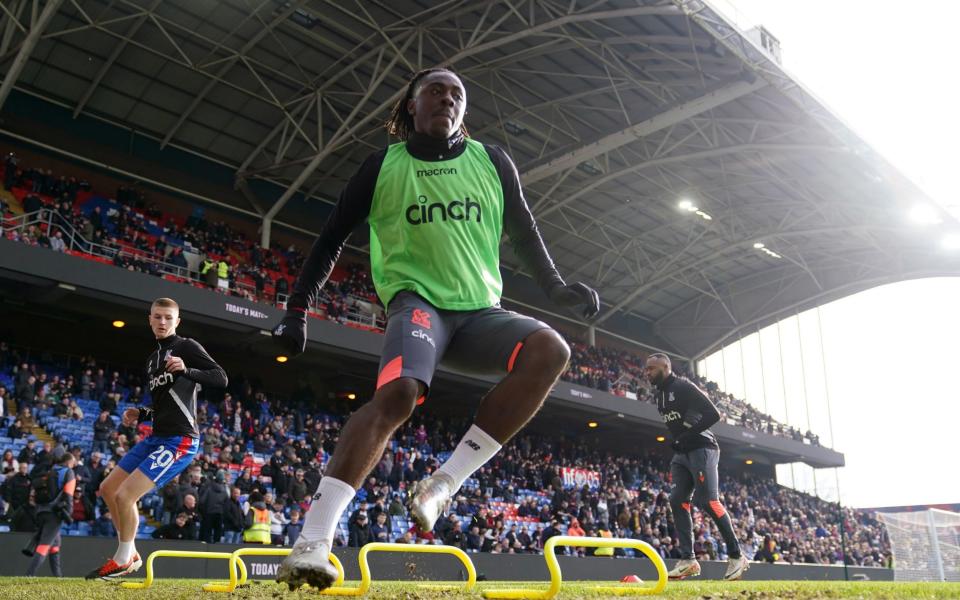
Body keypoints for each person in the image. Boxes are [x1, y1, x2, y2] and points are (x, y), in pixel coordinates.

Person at [271, 67, 599, 590]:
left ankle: (444, 484)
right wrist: (297, 307)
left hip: (480, 314)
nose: (447, 98)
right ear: (411, 107)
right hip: (418, 305)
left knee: (550, 350)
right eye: (435, 90)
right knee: (399, 395)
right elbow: (332, 235)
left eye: (457, 93)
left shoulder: (492, 161)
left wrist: (556, 288)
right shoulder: (383, 165)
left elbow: (524, 230)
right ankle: (313, 542)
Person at [88, 297, 227, 579]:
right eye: (157, 317)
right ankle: (130, 553)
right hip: (157, 436)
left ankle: (123, 559)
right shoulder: (152, 360)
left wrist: (187, 370)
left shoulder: (186, 347)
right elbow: (167, 407)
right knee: (107, 489)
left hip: (181, 440)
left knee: (126, 495)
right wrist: (141, 413)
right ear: (149, 319)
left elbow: (221, 377)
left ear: (177, 321)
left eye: (168, 317)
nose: (162, 322)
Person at [643, 353, 749, 581]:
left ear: (665, 367)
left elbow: (713, 414)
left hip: (703, 449)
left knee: (708, 501)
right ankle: (688, 560)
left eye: (651, 368)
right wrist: (681, 439)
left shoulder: (683, 386)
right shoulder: (659, 395)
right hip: (682, 454)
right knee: (677, 499)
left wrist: (687, 434)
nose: (647, 372)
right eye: (646, 369)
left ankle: (736, 555)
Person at [23, 453, 76, 576]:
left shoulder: (50, 471)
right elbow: (68, 495)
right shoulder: (68, 472)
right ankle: (28, 575)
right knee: (44, 545)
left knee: (55, 545)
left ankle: (58, 577)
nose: (73, 466)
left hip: (40, 511)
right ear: (69, 462)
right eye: (73, 463)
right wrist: (69, 513)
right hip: (54, 514)